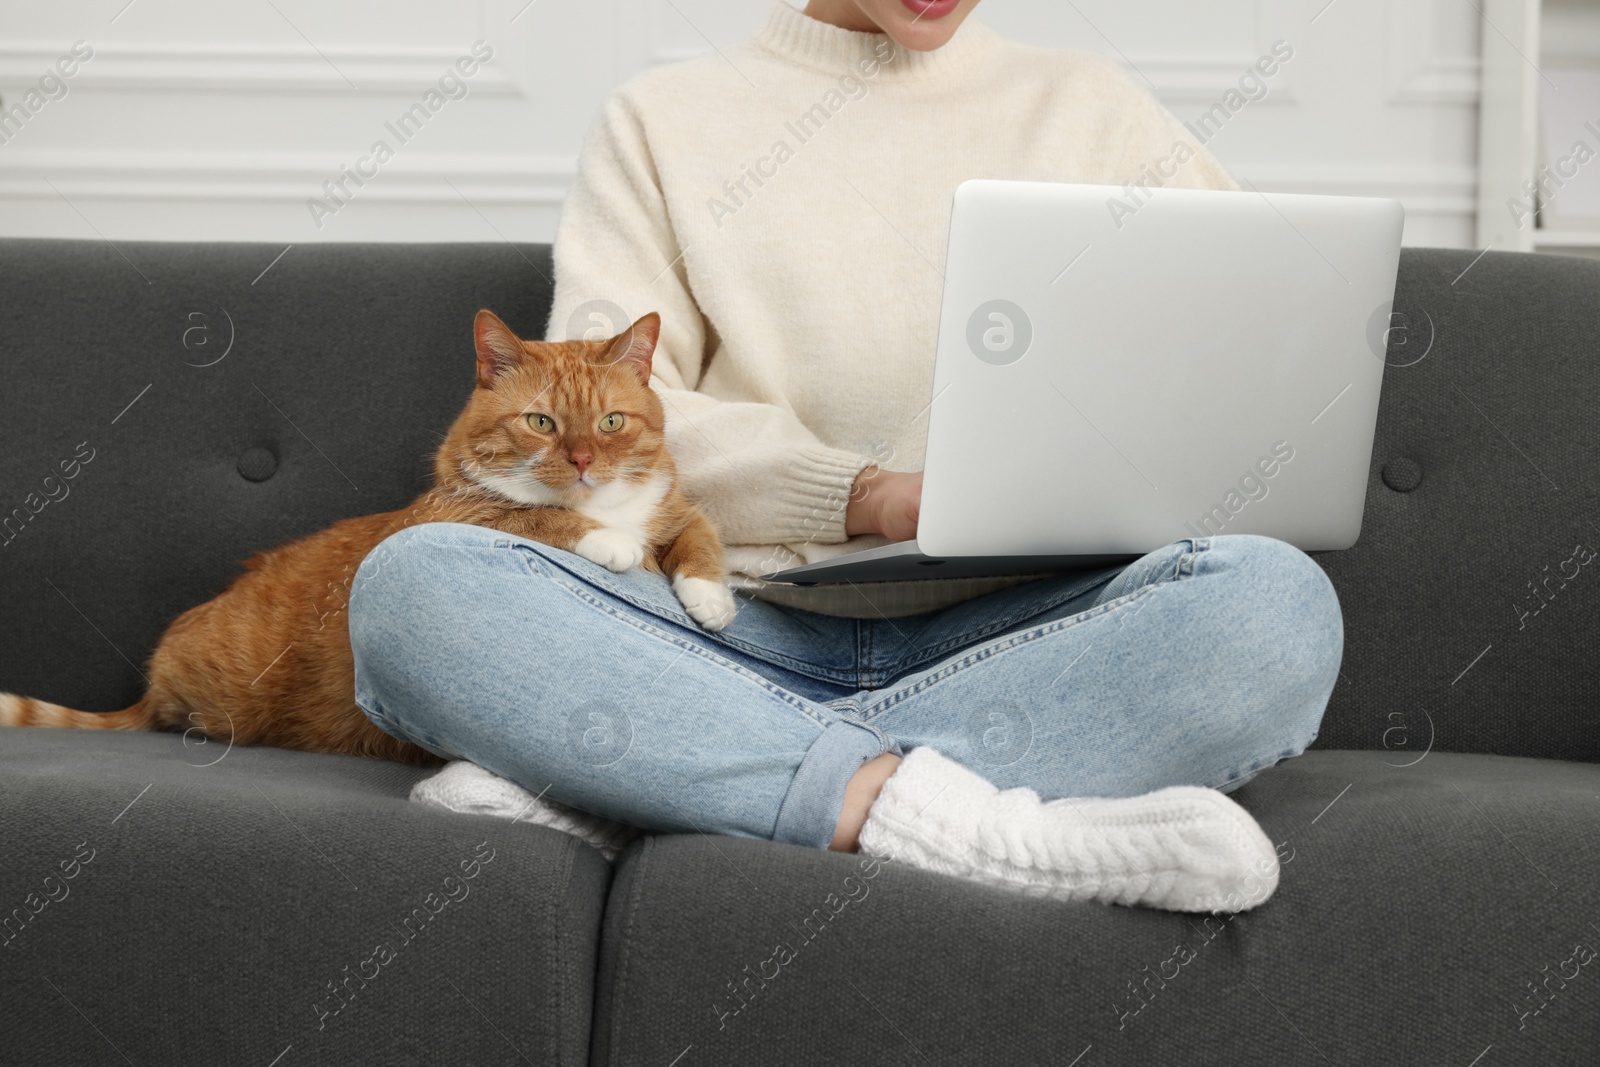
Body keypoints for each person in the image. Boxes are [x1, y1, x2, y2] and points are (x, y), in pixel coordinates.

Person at [348, 0, 1341, 913]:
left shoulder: (1099, 113)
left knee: (1273, 607)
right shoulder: (660, 121)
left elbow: (1230, 357)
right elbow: (605, 429)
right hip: (722, 630)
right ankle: (966, 826)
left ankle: (667, 782)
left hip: (1030, 638)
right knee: (412, 584)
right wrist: (861, 494)